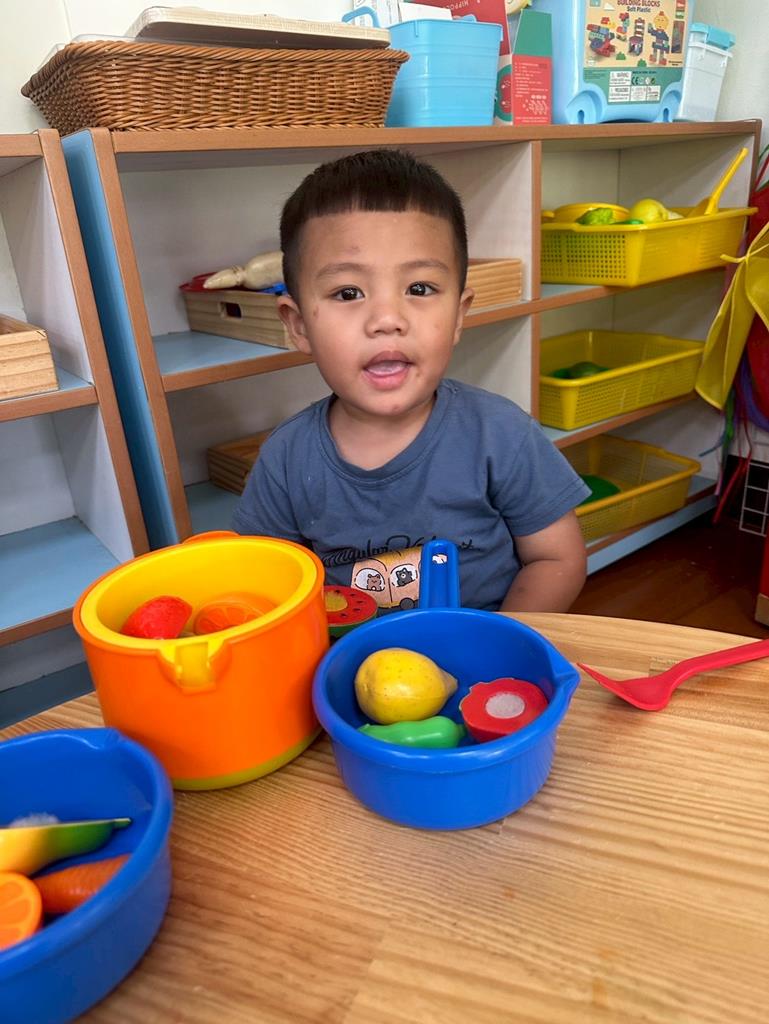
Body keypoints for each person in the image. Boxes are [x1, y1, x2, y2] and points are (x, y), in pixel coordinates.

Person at [232, 148, 589, 613]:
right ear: (298, 326)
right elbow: (269, 586)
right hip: (352, 656)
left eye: (419, 288)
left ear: (458, 315)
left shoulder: (501, 433)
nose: (387, 319)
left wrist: (501, 638)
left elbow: (556, 558)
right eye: (348, 293)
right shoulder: (286, 459)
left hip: (487, 646)